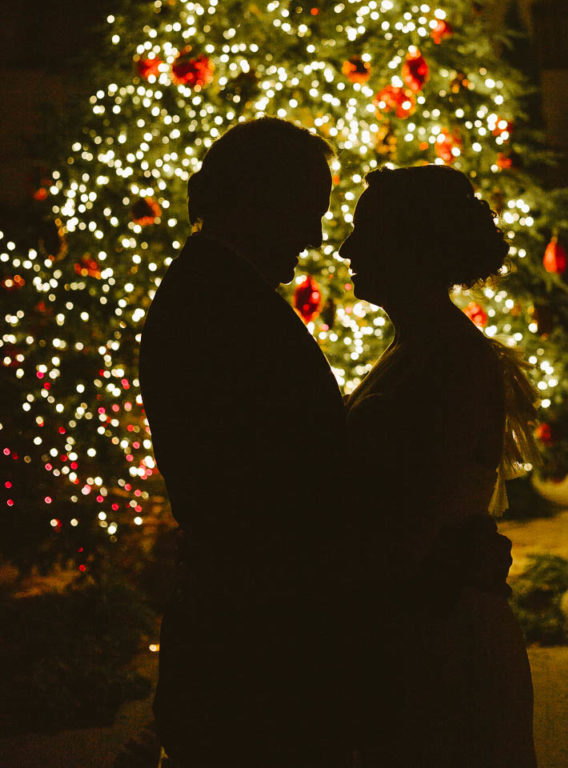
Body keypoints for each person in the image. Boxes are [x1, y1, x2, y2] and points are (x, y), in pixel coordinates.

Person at [139, 118, 349, 768]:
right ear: (258, 199)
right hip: (254, 646)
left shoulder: (216, 289)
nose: (315, 237)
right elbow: (271, 482)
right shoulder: (217, 305)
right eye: (307, 212)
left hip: (245, 630)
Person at [339, 164, 539, 768]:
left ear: (413, 247)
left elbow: (417, 522)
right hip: (421, 625)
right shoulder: (418, 348)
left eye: (364, 231)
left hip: (439, 639)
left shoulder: (452, 361)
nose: (347, 249)